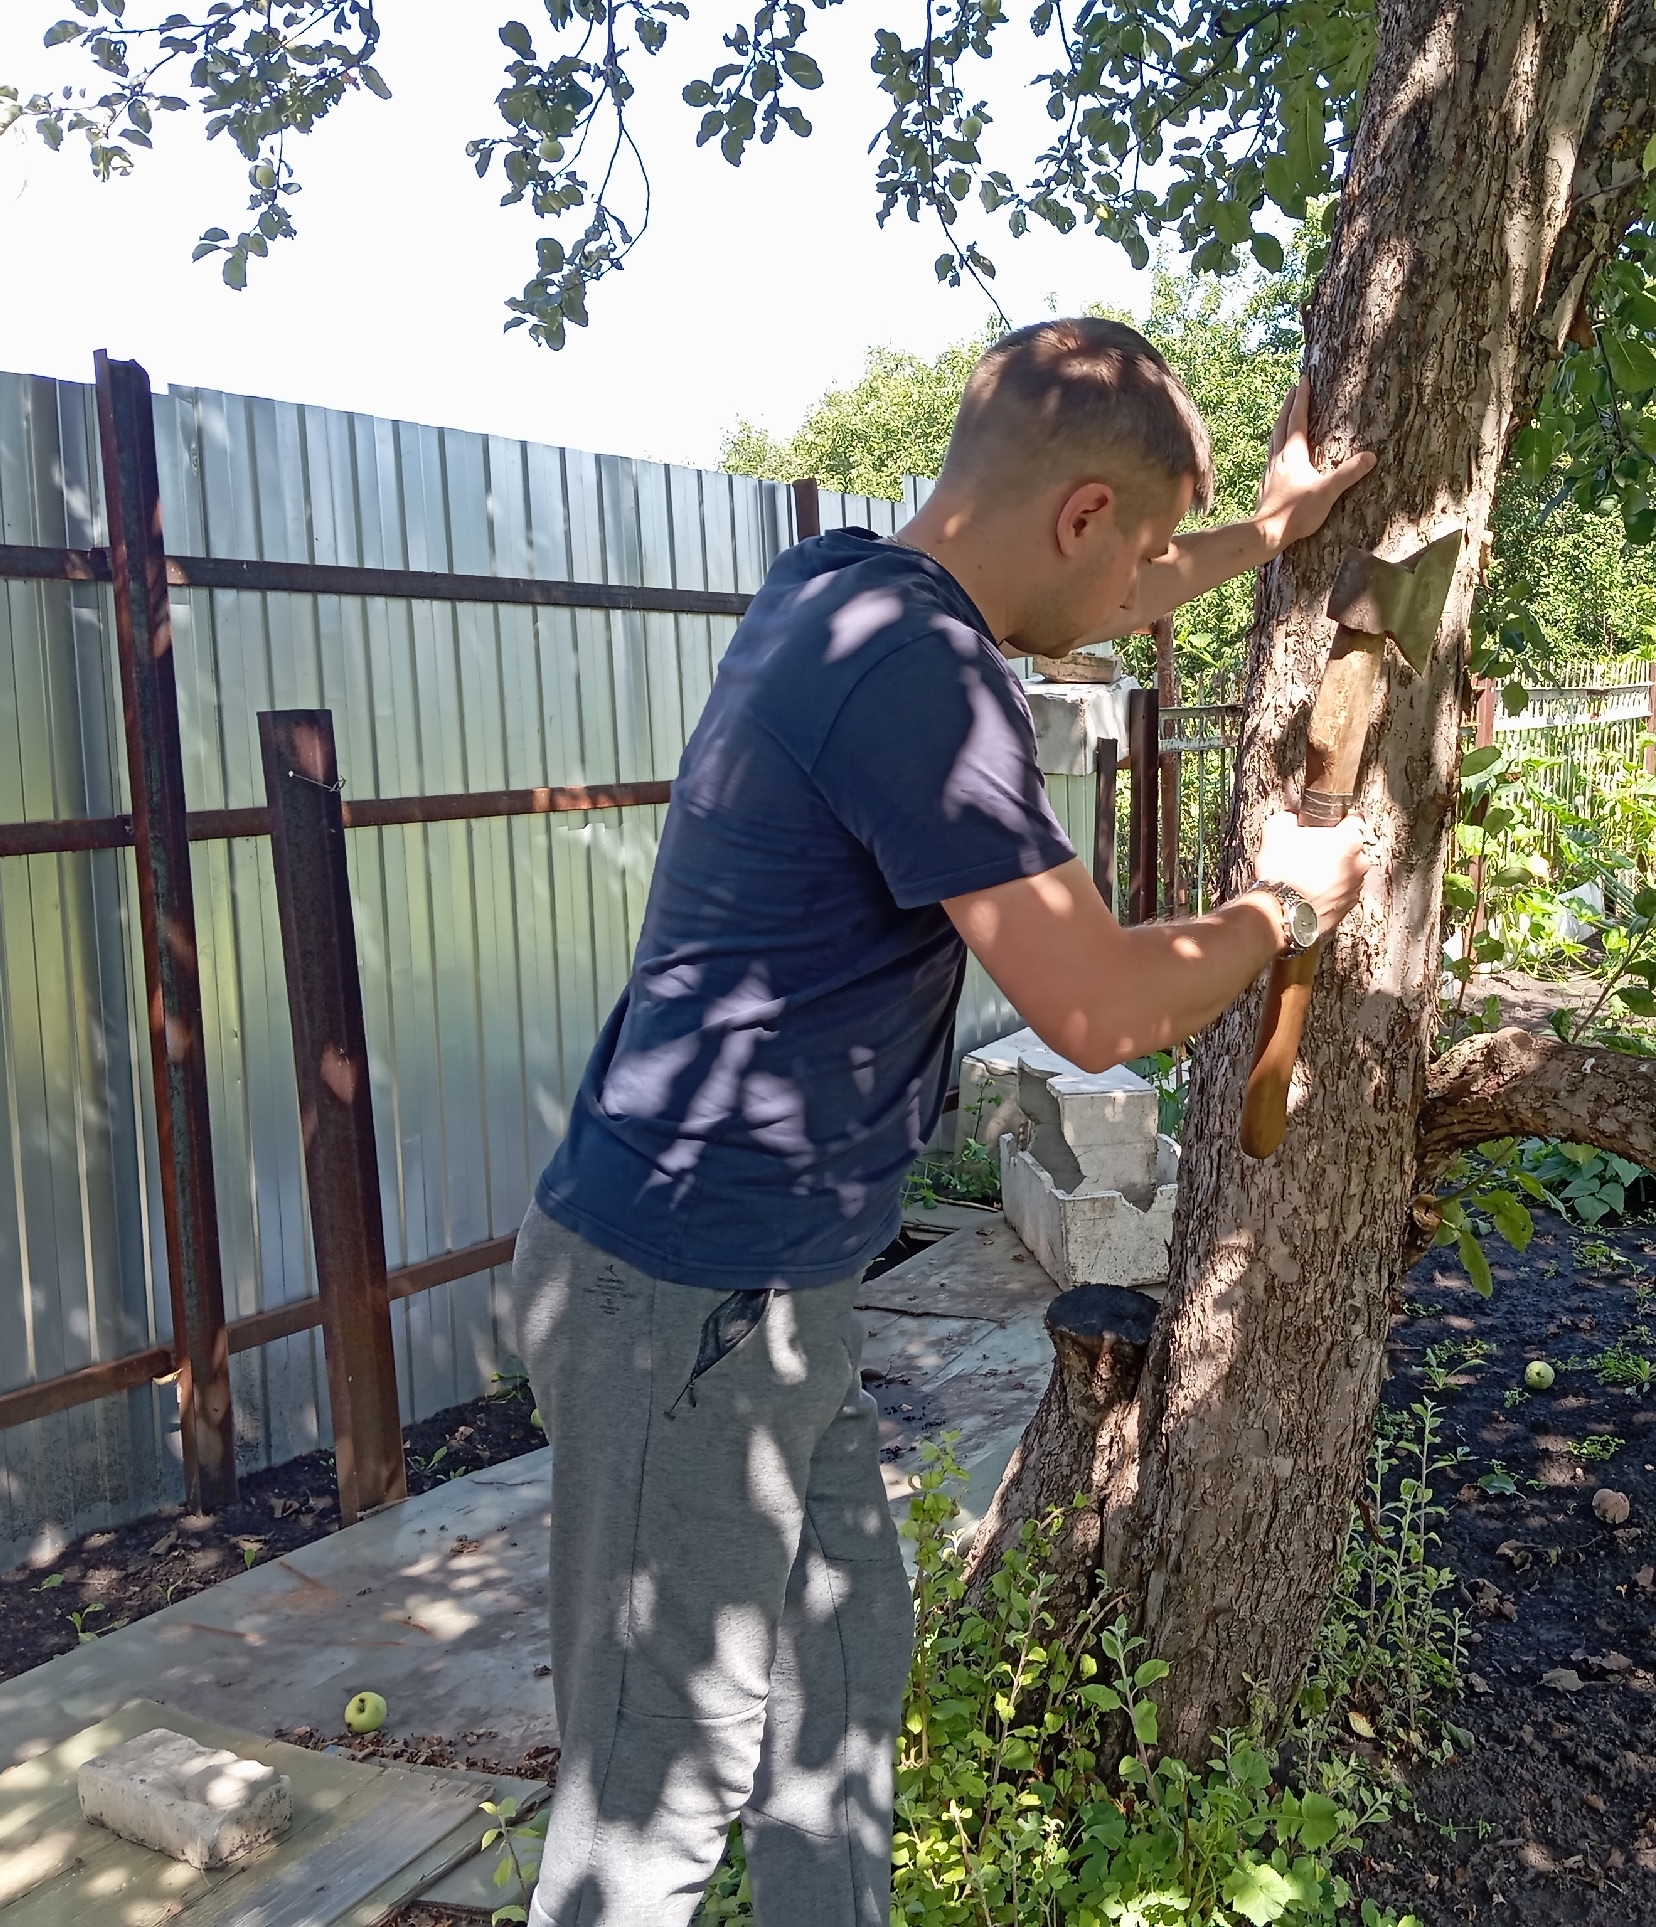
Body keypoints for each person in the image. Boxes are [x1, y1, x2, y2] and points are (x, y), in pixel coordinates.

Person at [510, 315, 1377, 1926]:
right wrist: (1285, 906)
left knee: (840, 1678)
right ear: (1080, 515)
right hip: (685, 1295)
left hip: (768, 1291)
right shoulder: (921, 681)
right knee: (657, 1790)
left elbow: (1120, 588)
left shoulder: (843, 590)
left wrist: (1270, 534)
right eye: (1145, 551)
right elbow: (1098, 1008)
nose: (1149, 592)